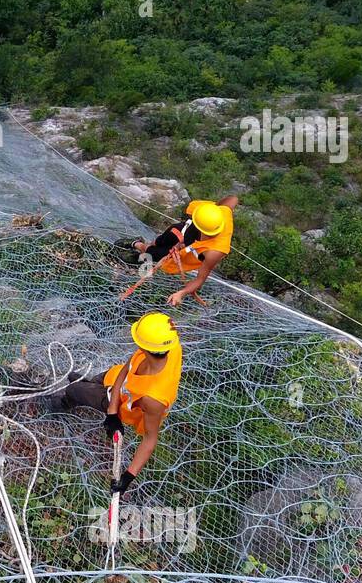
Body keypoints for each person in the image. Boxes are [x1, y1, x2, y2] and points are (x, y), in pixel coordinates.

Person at [46, 312, 182, 496]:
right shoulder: (167, 345)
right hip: (115, 378)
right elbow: (127, 368)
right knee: (95, 380)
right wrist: (109, 414)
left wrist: (128, 475)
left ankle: (64, 402)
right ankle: (86, 385)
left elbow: (150, 439)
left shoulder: (154, 399)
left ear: (146, 346)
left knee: (73, 390)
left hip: (120, 402)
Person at [131, 196, 238, 306]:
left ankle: (137, 244)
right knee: (160, 240)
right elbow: (233, 199)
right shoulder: (222, 213)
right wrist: (213, 208)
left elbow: (200, 280)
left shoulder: (214, 252)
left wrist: (181, 293)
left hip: (188, 251)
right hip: (184, 231)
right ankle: (147, 244)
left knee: (152, 253)